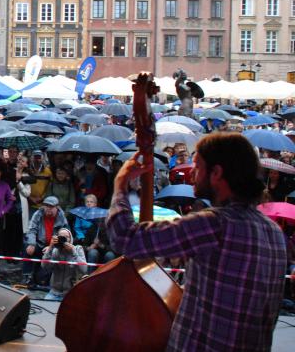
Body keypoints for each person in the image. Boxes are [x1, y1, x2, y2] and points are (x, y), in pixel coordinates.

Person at [107, 132, 287, 352]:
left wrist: (120, 184)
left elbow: (126, 238)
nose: (192, 173)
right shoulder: (273, 232)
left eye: (197, 166)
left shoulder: (214, 224)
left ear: (217, 172)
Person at [23, 195, 69, 287]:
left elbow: (65, 236)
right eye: (46, 206)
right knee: (27, 247)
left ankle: (53, 279)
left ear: (57, 207)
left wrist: (51, 246)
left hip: (54, 247)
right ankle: (27, 276)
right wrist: (31, 243)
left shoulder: (62, 217)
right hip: (39, 244)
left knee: (42, 278)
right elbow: (31, 229)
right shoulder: (38, 214)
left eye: (51, 206)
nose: (48, 208)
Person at [40, 227, 86, 301]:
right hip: (54, 293)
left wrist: (73, 253)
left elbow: (84, 270)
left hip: (70, 293)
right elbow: (44, 267)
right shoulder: (54, 251)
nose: (63, 239)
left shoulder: (77, 249)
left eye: (66, 237)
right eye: (61, 237)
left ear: (71, 239)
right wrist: (50, 247)